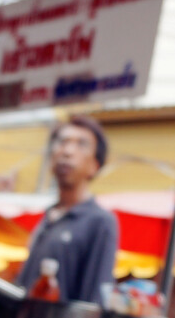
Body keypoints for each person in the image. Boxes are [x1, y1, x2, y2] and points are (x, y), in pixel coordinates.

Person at [18, 116, 118, 304]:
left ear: (94, 166)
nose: (68, 151)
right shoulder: (48, 216)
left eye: (82, 144)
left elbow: (94, 301)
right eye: (62, 142)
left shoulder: (100, 221)